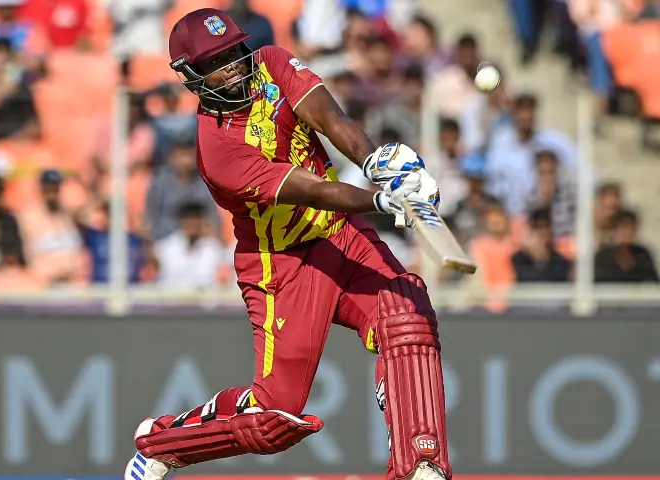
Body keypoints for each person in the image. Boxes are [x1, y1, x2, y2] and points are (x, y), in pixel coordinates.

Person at [125, 9, 451, 480]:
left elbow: (331, 119)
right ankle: (161, 443)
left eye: (237, 51)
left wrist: (380, 160)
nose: (236, 65)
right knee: (274, 418)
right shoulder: (219, 151)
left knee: (409, 316)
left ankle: (421, 465)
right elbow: (312, 189)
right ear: (193, 77)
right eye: (219, 61)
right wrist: (382, 199)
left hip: (342, 234)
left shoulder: (273, 63)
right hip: (282, 265)